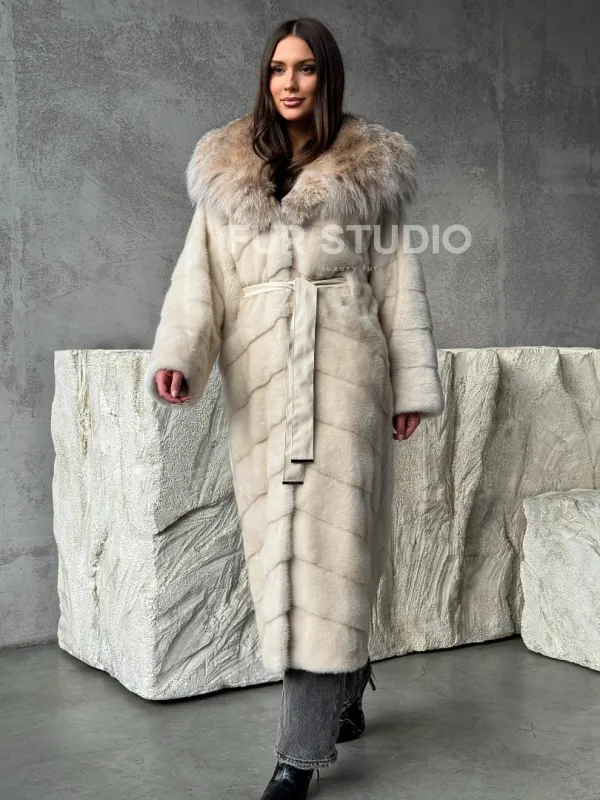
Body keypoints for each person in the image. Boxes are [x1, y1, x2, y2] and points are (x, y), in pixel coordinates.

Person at [144, 16, 444, 800]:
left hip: (346, 376)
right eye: (278, 68)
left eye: (305, 68)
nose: (289, 82)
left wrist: (411, 385)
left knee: (329, 551)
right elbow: (200, 278)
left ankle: (297, 755)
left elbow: (398, 283)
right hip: (262, 384)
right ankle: (349, 682)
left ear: (326, 76)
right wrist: (180, 357)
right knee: (283, 550)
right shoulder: (227, 169)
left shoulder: (369, 170)